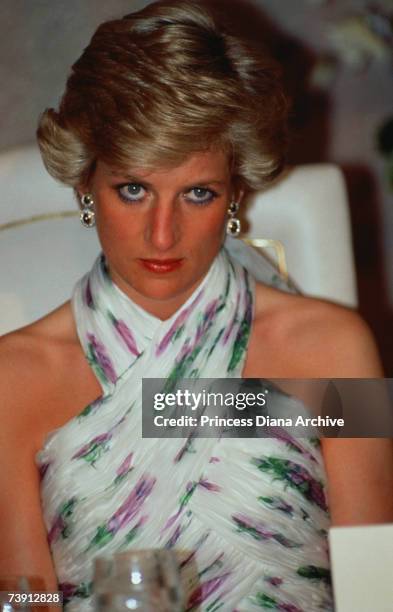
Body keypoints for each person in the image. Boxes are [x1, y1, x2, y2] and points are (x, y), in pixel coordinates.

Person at [0, 1, 392, 610]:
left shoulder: (336, 350)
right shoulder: (12, 379)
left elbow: (378, 585)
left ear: (235, 191)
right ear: (85, 185)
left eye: (197, 193)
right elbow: (20, 599)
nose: (163, 235)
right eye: (133, 189)